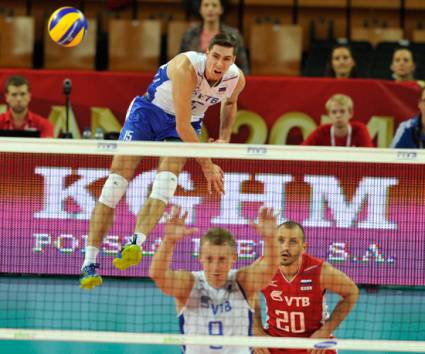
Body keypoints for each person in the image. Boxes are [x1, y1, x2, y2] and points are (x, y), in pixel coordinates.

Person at [80, 32, 246, 289]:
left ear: (233, 60)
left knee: (166, 183)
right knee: (114, 186)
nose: (220, 63)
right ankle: (89, 263)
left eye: (226, 59)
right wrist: (208, 165)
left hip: (186, 123)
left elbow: (230, 103)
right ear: (207, 54)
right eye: (215, 56)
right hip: (148, 115)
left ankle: (135, 243)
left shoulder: (236, 79)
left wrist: (224, 137)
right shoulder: (186, 67)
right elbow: (182, 124)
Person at [149, 206, 280, 354]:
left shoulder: (242, 282)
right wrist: (169, 241)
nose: (215, 267)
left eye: (222, 259)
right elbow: (157, 275)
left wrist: (270, 239)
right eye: (209, 259)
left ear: (234, 258)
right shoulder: (189, 284)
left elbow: (270, 268)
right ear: (200, 258)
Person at [253, 221, 359, 354]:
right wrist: (257, 330)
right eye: (280, 240)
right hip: (274, 341)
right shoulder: (262, 268)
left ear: (304, 247)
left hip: (313, 343)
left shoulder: (320, 271)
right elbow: (247, 293)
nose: (285, 247)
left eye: (293, 242)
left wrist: (324, 331)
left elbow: (351, 292)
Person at [180, 0, 250, 75]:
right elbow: (180, 62)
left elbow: (243, 68)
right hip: (193, 80)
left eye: (214, 5)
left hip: (225, 81)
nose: (210, 9)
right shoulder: (190, 33)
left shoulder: (233, 35)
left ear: (221, 9)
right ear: (200, 9)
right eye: (206, 5)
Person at [302, 94, 373, 147]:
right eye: (334, 112)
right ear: (329, 115)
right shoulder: (322, 131)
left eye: (342, 111)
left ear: (351, 113)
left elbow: (370, 155)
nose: (338, 115)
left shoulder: (360, 129)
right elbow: (302, 150)